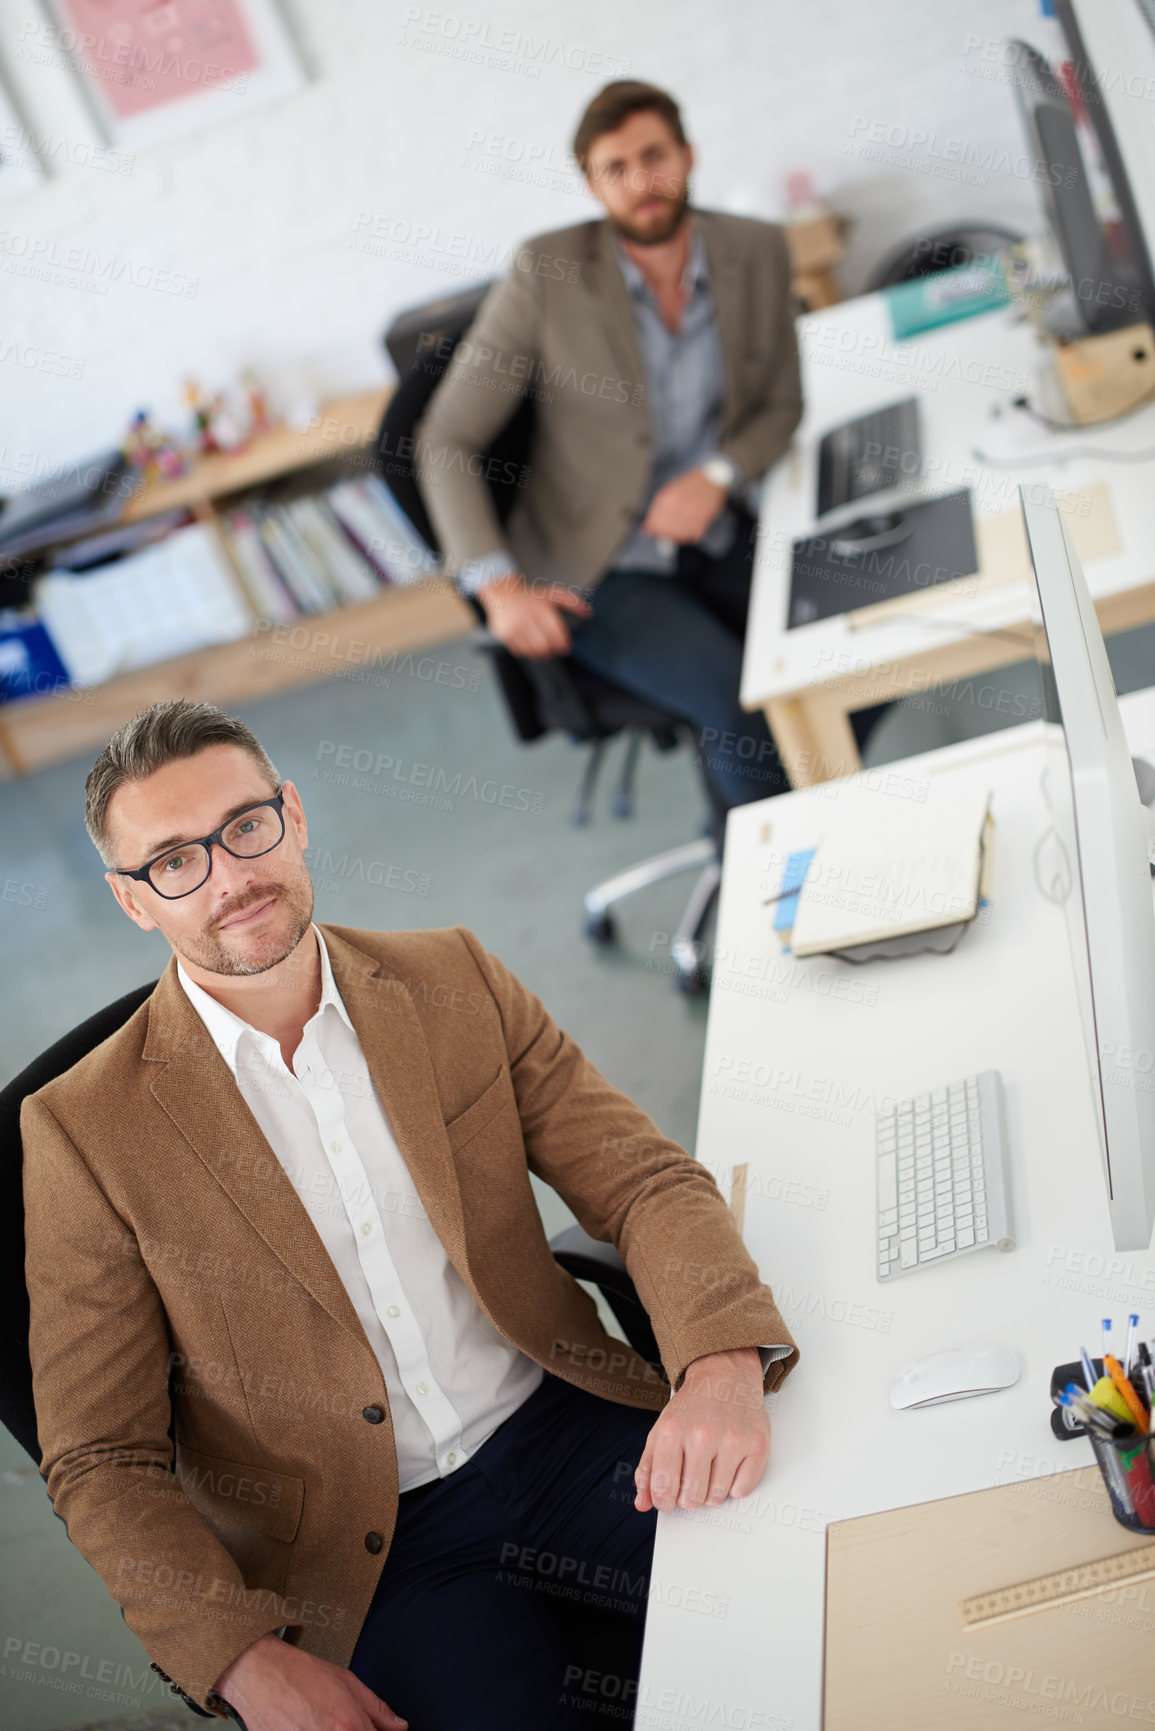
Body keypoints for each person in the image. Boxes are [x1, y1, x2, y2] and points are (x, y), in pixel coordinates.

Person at [21, 699, 799, 1731]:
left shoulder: (452, 978)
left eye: (244, 828)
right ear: (133, 901)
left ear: (292, 816)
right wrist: (245, 1662)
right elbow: (100, 1458)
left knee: (807, 1630)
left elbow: (644, 1180)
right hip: (367, 1548)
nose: (229, 878)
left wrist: (719, 1368)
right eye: (174, 862)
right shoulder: (83, 1131)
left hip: (563, 1427)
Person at [415, 79, 804, 819]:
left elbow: (781, 406)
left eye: (653, 156)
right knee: (741, 705)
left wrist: (716, 476)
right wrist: (497, 587)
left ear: (687, 156)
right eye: (614, 169)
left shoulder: (755, 251)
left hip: (717, 529)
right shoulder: (546, 273)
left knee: (853, 641)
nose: (640, 182)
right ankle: (788, 894)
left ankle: (756, 820)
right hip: (595, 568)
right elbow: (446, 441)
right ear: (591, 185)